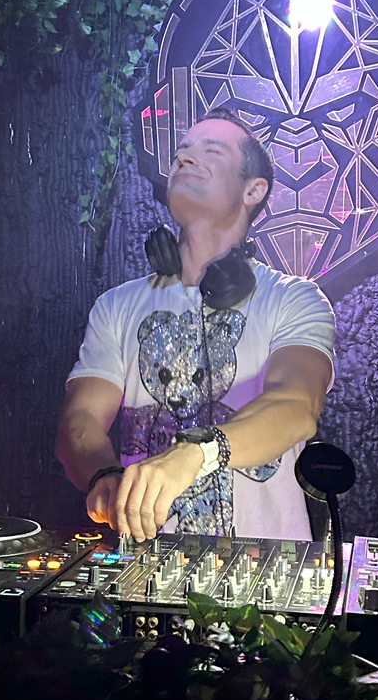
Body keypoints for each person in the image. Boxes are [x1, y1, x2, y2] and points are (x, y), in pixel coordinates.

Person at [57, 111, 335, 541]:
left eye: (212, 151)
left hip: (261, 572)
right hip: (145, 566)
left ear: (253, 190)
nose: (184, 158)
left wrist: (196, 453)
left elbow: (295, 404)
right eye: (182, 152)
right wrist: (101, 475)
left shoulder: (293, 298)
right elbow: (81, 417)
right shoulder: (117, 305)